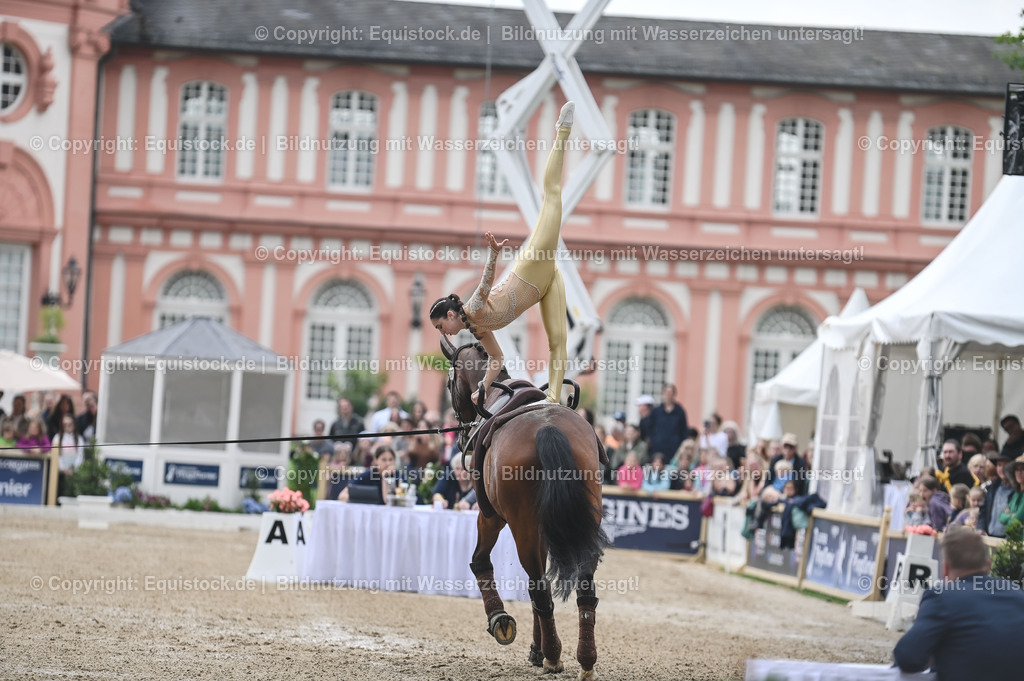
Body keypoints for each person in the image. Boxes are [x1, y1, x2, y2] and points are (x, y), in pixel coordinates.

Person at [430, 101, 576, 404]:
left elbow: (484, 284)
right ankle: (553, 400)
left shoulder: (473, 310)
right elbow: (498, 359)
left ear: (452, 314)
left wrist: (494, 254)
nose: (443, 332)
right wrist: (482, 386)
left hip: (531, 269)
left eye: (441, 325)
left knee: (552, 198)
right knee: (558, 341)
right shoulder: (478, 329)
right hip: (543, 286)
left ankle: (562, 131)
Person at [893, 526, 1024, 679]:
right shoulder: (1019, 597)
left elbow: (907, 657)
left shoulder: (941, 598)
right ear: (988, 565)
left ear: (946, 569)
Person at [646, 384, 688, 464]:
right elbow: (649, 428)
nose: (669, 395)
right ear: (663, 394)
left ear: (674, 395)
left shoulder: (680, 411)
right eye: (667, 392)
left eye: (671, 393)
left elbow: (684, 430)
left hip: (674, 447)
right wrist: (655, 439)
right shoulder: (656, 411)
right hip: (658, 446)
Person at [980, 450, 1014, 537]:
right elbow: (983, 510)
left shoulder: (1018, 491)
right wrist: (981, 528)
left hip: (1009, 539)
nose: (1002, 469)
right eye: (999, 465)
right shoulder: (992, 487)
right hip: (990, 536)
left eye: (1005, 465)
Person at [997, 456, 1024, 528]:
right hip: (1012, 537)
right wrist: (1012, 515)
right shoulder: (1016, 493)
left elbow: (1016, 520)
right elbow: (1001, 518)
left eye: (1022, 469)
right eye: (1016, 469)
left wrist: (1009, 515)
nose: (1019, 472)